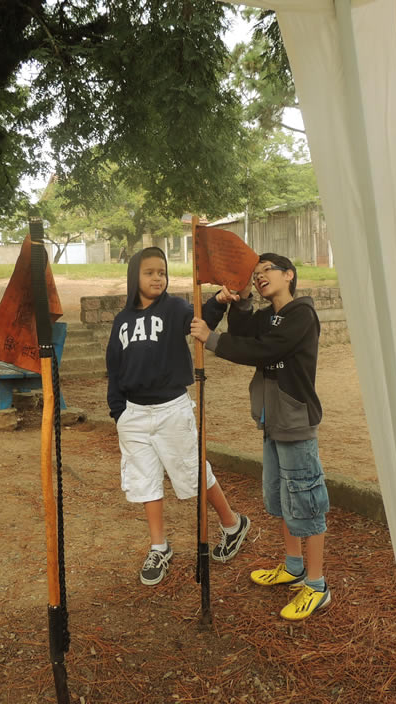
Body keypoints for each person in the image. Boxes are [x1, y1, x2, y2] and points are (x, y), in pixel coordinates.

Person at [190, 253, 329, 621]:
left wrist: (211, 339)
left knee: (307, 501)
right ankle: (293, 567)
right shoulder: (271, 316)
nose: (260, 276)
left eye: (267, 270)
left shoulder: (301, 314)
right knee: (283, 497)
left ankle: (317, 586)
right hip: (272, 420)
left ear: (289, 275)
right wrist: (240, 302)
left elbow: (265, 349)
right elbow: (245, 333)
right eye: (255, 273)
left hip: (295, 421)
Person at [107, 246, 251, 586]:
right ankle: (159, 547)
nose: (157, 278)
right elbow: (114, 367)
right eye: (149, 272)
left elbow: (200, 322)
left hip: (172, 408)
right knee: (145, 479)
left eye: (162, 272)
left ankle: (232, 524)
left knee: (193, 471)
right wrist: (118, 411)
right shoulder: (122, 320)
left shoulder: (173, 308)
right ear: (134, 277)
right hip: (133, 414)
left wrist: (219, 301)